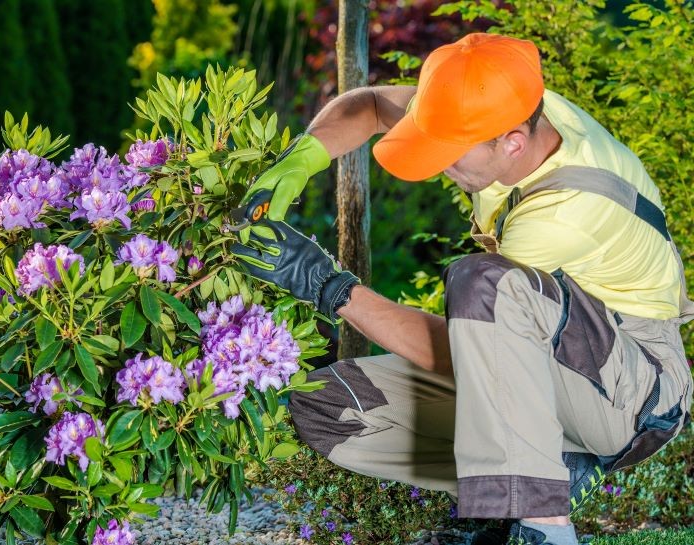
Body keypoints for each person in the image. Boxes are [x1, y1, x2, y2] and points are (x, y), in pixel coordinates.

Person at [231, 33, 694, 545]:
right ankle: (552, 471)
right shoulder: (508, 104)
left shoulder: (565, 213)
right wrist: (296, 165)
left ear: (513, 141)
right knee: (326, 406)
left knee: (481, 282)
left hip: (635, 393)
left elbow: (471, 355)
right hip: (552, 367)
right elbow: (367, 104)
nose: (437, 165)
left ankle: (545, 525)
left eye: (450, 153)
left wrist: (325, 285)